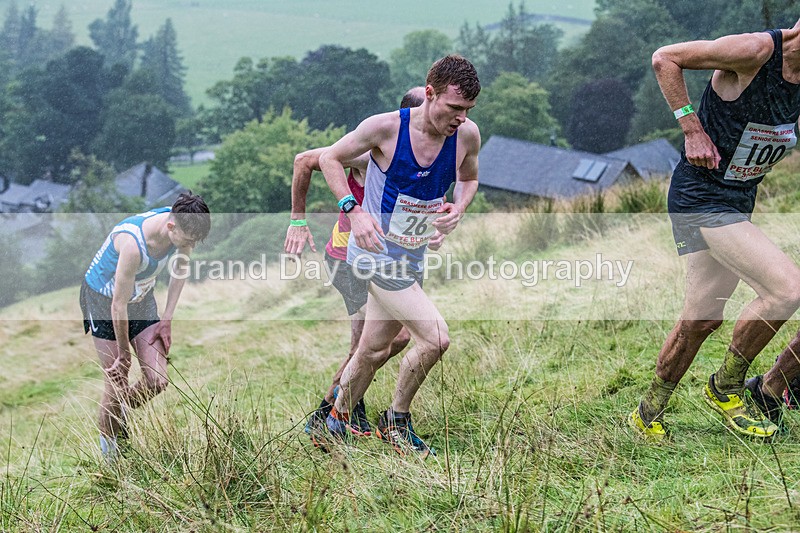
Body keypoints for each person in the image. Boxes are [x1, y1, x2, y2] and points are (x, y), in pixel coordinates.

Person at [629, 21, 800, 440]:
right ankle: (726, 387)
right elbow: (665, 57)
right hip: (700, 197)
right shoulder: (756, 51)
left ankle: (646, 414)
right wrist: (691, 127)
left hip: (737, 200)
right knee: (787, 289)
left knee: (701, 319)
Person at [317, 55, 481, 457]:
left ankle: (333, 423)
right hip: (372, 256)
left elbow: (470, 178)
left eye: (467, 111)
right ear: (429, 94)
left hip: (411, 258)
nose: (460, 118)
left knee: (372, 350)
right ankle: (396, 422)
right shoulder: (386, 128)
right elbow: (327, 158)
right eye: (454, 108)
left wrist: (458, 208)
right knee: (435, 338)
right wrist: (353, 212)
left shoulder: (466, 136)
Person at [284, 87, 427, 444]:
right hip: (348, 259)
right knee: (372, 344)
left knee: (392, 339)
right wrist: (298, 221)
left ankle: (342, 410)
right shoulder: (372, 153)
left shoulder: (429, 155)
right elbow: (305, 160)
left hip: (386, 259)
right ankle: (329, 417)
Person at [80, 193, 211, 458]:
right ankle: (111, 457)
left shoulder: (185, 223)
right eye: (188, 241)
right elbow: (118, 304)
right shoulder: (132, 245)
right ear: (171, 227)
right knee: (116, 382)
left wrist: (167, 319)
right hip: (104, 302)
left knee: (157, 380)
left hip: (141, 297)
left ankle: (117, 411)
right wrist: (124, 354)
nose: (191, 245)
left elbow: (179, 270)